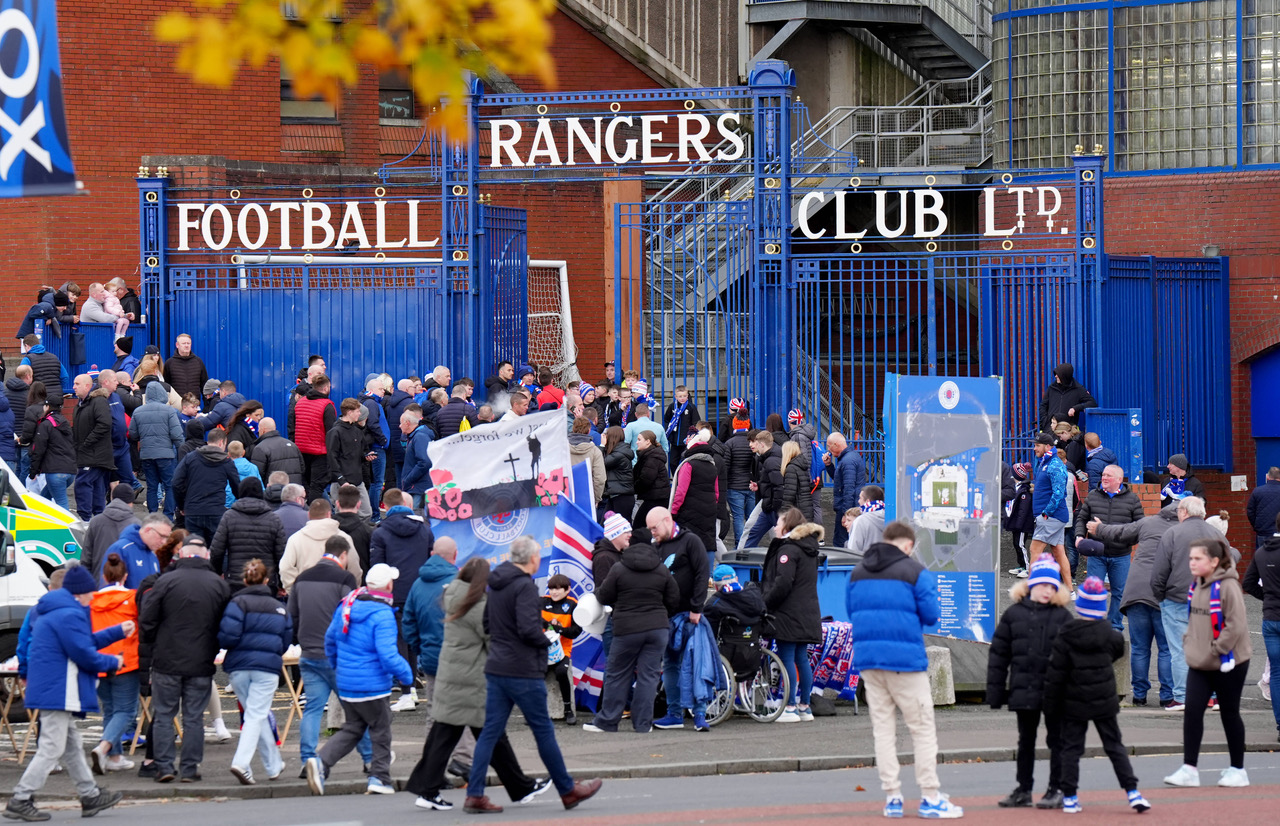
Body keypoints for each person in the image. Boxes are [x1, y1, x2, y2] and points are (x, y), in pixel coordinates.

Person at [459, 536, 602, 813]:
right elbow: (527, 630)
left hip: (497, 667)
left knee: (490, 732)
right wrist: (546, 640)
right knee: (543, 732)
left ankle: (475, 794)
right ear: (532, 559)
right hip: (522, 670)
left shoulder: (496, 585)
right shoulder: (524, 586)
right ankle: (567, 789)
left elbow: (487, 624)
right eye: (538, 555)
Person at [405, 557, 552, 811]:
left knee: (460, 738)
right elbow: (494, 638)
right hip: (471, 680)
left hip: (454, 675)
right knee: (484, 737)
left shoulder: (453, 596)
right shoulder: (478, 605)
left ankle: (520, 787)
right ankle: (519, 787)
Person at [845, 519, 963, 819]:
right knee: (921, 729)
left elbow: (852, 611)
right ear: (908, 546)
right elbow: (933, 616)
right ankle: (930, 796)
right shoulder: (915, 572)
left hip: (869, 661)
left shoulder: (857, 572)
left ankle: (893, 797)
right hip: (906, 662)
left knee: (882, 730)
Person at [4, 565, 128, 822]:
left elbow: (83, 643)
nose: (93, 597)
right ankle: (21, 798)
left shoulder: (56, 611)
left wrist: (116, 632)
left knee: (70, 746)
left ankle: (90, 795)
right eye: (90, 593)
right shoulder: (69, 615)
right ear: (80, 592)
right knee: (51, 748)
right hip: (61, 689)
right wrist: (112, 662)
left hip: (54, 687)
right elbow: (84, 653)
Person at [1042, 576, 1151, 814]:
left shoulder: (1065, 635)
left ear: (1079, 606)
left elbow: (1056, 674)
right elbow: (1116, 652)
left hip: (1073, 701)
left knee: (1071, 748)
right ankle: (1133, 792)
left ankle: (1069, 796)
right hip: (1104, 699)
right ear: (1102, 608)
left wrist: (1050, 706)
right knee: (1114, 746)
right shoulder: (1110, 636)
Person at [305, 563, 412, 796]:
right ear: (389, 585)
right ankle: (379, 777)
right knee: (381, 731)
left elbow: (330, 640)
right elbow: (387, 654)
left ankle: (321, 762)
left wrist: (337, 667)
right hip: (373, 685)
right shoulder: (382, 613)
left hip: (347, 683)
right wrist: (407, 677)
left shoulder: (348, 605)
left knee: (352, 728)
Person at [139, 535, 231, 783]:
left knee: (164, 716)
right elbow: (226, 625)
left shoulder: (166, 581)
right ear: (207, 556)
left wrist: (155, 643)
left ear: (181, 555)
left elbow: (147, 620)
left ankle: (164, 767)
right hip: (201, 661)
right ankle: (190, 769)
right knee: (193, 719)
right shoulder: (218, 584)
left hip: (166, 660)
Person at [1163, 537, 1253, 789]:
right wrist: (1190, 644)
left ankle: (1238, 770)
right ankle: (1189, 768)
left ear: (1214, 561)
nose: (1192, 563)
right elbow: (1195, 620)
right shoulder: (1197, 584)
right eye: (1191, 558)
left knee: (1229, 712)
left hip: (1230, 662)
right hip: (1200, 661)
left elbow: (1236, 625)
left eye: (1197, 559)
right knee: (1192, 711)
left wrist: (1216, 649)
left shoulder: (1228, 586)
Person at [986, 553, 1072, 809]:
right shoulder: (1014, 614)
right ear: (1032, 584)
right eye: (1043, 584)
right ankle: (1024, 788)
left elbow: (1074, 658)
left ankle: (1055, 788)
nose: (1047, 590)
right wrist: (995, 691)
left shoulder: (1063, 617)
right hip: (1024, 688)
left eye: (1052, 586)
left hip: (1055, 691)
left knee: (1056, 740)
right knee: (1026, 740)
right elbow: (999, 655)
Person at [287, 536, 372, 776]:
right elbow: (352, 615)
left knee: (313, 708)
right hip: (337, 656)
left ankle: (308, 760)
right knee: (355, 711)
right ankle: (370, 759)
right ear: (343, 555)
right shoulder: (344, 578)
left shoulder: (302, 578)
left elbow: (292, 617)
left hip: (309, 653)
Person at [1090, 502, 1182, 709]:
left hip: (1136, 591)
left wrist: (1099, 528)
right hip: (1162, 593)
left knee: (1140, 648)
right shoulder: (1182, 531)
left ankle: (1139, 695)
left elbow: (1121, 532)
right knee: (1166, 649)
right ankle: (1167, 696)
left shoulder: (1147, 523)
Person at [586, 538, 680, 735]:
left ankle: (607, 722)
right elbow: (674, 598)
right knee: (649, 676)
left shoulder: (619, 568)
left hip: (626, 629)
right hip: (657, 629)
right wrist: (660, 613)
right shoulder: (661, 569)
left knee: (617, 674)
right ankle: (643, 724)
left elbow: (604, 596)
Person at [402, 536, 474, 771]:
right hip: (461, 659)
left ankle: (433, 762)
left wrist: (422, 648)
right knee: (464, 709)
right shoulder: (461, 583)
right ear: (455, 556)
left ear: (432, 554)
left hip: (432, 659)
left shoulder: (418, 585)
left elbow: (408, 624)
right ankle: (463, 759)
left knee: (434, 712)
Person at [218, 558, 292, 785]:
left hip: (239, 666)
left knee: (254, 715)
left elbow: (226, 637)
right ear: (267, 580)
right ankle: (242, 763)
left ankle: (273, 765)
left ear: (244, 580)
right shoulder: (279, 607)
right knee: (256, 715)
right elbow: (286, 640)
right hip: (267, 667)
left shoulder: (237, 603)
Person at [1150, 496, 1227, 710]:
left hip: (1177, 598)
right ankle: (1213, 696)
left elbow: (1159, 571)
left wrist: (1160, 595)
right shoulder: (1216, 534)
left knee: (1180, 649)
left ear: (1183, 512)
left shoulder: (1173, 533)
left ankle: (1184, 696)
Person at [647, 507, 712, 731]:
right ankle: (674, 713)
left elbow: (703, 572)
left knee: (695, 663)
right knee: (671, 665)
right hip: (666, 617)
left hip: (689, 616)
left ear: (667, 520)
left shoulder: (691, 541)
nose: (652, 532)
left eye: (654, 528)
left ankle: (700, 715)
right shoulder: (655, 547)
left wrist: (696, 608)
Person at [371, 490, 434, 709]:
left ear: (385, 507)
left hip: (394, 593)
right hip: (420, 591)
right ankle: (412, 688)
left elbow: (377, 566)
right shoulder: (425, 530)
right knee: (416, 639)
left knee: (400, 640)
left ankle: (408, 690)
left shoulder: (380, 532)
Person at [762, 506, 822, 724]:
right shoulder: (808, 548)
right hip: (807, 610)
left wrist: (766, 602)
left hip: (788, 612)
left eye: (778, 523)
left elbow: (783, 583)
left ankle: (788, 707)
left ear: (786, 525)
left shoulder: (788, 550)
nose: (775, 527)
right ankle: (804, 707)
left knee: (787, 657)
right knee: (801, 659)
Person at [88, 554, 142, 776]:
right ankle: (103, 748)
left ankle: (115, 757)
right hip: (126, 661)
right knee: (127, 711)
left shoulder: (91, 601)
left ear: (103, 576)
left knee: (110, 710)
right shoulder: (133, 598)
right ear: (126, 576)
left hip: (99, 661)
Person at [1073, 464, 1143, 631]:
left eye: (1108, 476)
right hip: (1096, 553)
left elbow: (1140, 526)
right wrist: (1079, 536)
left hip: (1121, 555)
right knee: (1093, 591)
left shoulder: (1132, 499)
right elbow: (1081, 518)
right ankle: (1092, 627)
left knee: (1120, 593)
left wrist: (1128, 541)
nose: (1104, 478)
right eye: (1103, 474)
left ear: (1119, 480)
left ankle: (1115, 627)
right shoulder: (1093, 496)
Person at [210, 477, 287, 591]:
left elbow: (217, 551)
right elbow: (281, 554)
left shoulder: (229, 516)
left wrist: (217, 573)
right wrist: (281, 583)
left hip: (236, 579)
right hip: (266, 580)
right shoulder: (273, 518)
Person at [1243, 512, 1280, 741]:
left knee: (1276, 673)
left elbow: (1247, 583)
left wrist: (1266, 598)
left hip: (1271, 618)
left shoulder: (1262, 551)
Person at [172, 428, 240, 544]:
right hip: (216, 511)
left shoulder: (190, 458)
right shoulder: (226, 462)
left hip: (193, 511)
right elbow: (237, 487)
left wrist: (182, 505)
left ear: (208, 441)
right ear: (221, 443)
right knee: (216, 551)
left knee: (194, 550)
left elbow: (176, 483)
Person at [129, 380, 184, 517]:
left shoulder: (138, 411)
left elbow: (133, 434)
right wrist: (182, 454)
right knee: (169, 486)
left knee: (152, 486)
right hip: (166, 455)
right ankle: (168, 516)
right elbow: (177, 435)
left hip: (147, 454)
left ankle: (152, 515)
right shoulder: (170, 411)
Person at [280, 499, 362, 591]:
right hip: (337, 595)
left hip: (306, 594)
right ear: (329, 514)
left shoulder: (295, 539)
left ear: (308, 515)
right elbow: (354, 569)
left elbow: (285, 568)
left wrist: (295, 591)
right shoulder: (344, 538)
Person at [1028, 432, 1072, 590]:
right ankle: (1070, 590)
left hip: (1051, 516)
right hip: (1053, 516)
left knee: (1034, 550)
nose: (1034, 448)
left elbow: (1059, 493)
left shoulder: (1054, 464)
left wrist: (1046, 513)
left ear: (1047, 447)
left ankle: (1030, 589)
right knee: (1059, 552)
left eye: (1037, 445)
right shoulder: (1045, 461)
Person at [670, 429, 720, 563]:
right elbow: (716, 493)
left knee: (688, 540)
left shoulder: (688, 464)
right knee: (709, 541)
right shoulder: (712, 465)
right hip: (709, 509)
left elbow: (681, 491)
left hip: (690, 509)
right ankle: (708, 574)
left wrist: (673, 511)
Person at [541, 574, 583, 726]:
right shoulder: (541, 602)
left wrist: (557, 629)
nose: (554, 592)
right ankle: (538, 712)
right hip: (541, 650)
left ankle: (568, 710)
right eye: (552, 588)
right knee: (535, 674)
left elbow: (576, 631)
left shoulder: (573, 605)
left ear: (567, 590)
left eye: (558, 589)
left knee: (561, 672)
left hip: (562, 651)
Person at [71, 373, 114, 521]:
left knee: (83, 484)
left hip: (94, 455)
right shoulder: (80, 404)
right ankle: (97, 520)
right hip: (87, 454)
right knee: (96, 487)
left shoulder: (98, 401)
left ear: (87, 386)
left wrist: (87, 442)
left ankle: (85, 519)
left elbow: (105, 424)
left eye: (77, 384)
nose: (73, 387)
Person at [81, 486, 140, 579]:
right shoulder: (136, 525)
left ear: (112, 497)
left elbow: (86, 557)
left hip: (99, 581)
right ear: (131, 502)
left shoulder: (96, 521)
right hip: (126, 585)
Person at [98, 512, 170, 588]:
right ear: (148, 530)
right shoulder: (121, 549)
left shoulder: (152, 555)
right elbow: (108, 588)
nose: (164, 542)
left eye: (166, 538)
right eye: (162, 536)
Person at [26, 397, 75, 509]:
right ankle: (39, 524)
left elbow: (38, 450)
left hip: (55, 472)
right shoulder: (65, 423)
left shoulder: (45, 425)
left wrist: (33, 472)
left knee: (61, 504)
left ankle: (67, 526)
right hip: (70, 471)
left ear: (47, 407)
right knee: (43, 501)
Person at [823, 432, 867, 548]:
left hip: (849, 508)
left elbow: (848, 490)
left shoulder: (847, 461)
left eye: (829, 446)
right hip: (850, 507)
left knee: (841, 543)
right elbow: (840, 481)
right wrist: (829, 465)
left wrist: (846, 514)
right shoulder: (849, 458)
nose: (828, 449)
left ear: (836, 445)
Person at [742, 430, 783, 549]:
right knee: (754, 531)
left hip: (771, 506)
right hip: (768, 505)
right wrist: (759, 484)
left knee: (780, 536)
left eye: (754, 442)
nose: (750, 445)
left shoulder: (771, 460)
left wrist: (775, 508)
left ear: (762, 444)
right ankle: (742, 557)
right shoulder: (768, 457)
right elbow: (772, 481)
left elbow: (778, 487)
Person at [358, 375, 391, 517]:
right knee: (377, 482)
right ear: (371, 390)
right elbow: (372, 424)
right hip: (378, 447)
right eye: (380, 389)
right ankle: (375, 515)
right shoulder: (371, 403)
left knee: (375, 482)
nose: (383, 391)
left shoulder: (372, 402)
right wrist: (383, 440)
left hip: (378, 447)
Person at [1037, 362, 1096, 432]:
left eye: (1058, 374)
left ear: (1065, 376)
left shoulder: (1078, 389)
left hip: (1067, 431)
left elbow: (1092, 403)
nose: (1055, 376)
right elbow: (1043, 406)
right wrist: (1045, 422)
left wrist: (1075, 408)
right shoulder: (1052, 388)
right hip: (1050, 428)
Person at [332, 483, 375, 574]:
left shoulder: (328, 529)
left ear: (337, 504)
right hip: (360, 581)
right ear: (359, 504)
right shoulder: (367, 531)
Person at [631, 429, 671, 528]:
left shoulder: (652, 458)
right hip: (655, 497)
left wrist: (633, 488)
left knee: (639, 526)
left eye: (639, 439)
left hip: (656, 499)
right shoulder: (649, 455)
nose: (637, 442)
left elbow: (646, 480)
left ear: (648, 441)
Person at [250, 417, 304, 485]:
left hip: (274, 492)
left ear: (262, 430)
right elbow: (302, 469)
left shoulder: (260, 448)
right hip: (294, 491)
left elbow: (257, 475)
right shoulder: (293, 446)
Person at [599, 426, 635, 521]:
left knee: (622, 527)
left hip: (622, 496)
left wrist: (602, 446)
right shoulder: (618, 451)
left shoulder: (619, 454)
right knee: (606, 525)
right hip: (617, 494)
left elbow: (600, 463)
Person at [18, 334, 69, 400]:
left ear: (26, 346)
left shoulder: (27, 359)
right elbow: (65, 377)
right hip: (56, 397)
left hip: (37, 397)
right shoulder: (54, 357)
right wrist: (58, 389)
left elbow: (22, 379)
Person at [399, 408, 433, 503]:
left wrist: (408, 479)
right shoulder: (416, 436)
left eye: (401, 423)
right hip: (416, 485)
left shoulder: (419, 437)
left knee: (416, 515)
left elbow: (425, 462)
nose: (399, 426)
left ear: (407, 423)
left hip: (418, 487)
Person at [161, 334, 208, 399]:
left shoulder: (198, 362)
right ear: (177, 345)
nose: (186, 346)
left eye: (188, 343)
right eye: (183, 343)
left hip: (194, 405)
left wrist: (206, 406)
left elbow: (204, 385)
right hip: (176, 406)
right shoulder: (169, 363)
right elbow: (166, 386)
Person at [1247, 467, 1280, 549]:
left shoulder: (1257, 491)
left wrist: (1257, 526)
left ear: (1267, 477)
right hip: (1278, 531)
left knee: (1263, 557)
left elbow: (1250, 511)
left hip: (1263, 532)